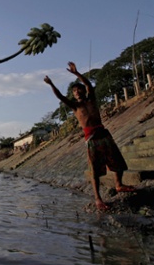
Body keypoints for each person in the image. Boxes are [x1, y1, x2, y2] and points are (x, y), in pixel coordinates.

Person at [44, 62, 135, 211]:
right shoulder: (75, 106)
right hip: (91, 139)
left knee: (116, 160)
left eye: (79, 89)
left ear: (83, 91)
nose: (78, 92)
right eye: (75, 91)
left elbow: (88, 85)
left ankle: (118, 185)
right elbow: (60, 96)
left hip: (103, 134)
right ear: (73, 94)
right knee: (95, 170)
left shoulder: (91, 99)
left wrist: (77, 73)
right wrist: (51, 84)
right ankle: (98, 198)